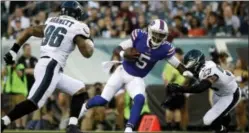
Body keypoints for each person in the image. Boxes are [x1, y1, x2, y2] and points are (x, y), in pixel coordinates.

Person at [79, 19, 189, 132]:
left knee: (140, 99)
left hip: (136, 78)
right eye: (156, 34)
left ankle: (129, 128)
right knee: (103, 100)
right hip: (122, 72)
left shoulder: (165, 48)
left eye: (161, 35)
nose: (157, 37)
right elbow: (117, 49)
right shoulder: (140, 36)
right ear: (150, 31)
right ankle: (85, 106)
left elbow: (177, 64)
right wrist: (124, 54)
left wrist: (187, 72)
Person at [1, 1, 94, 133]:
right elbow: (87, 54)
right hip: (51, 66)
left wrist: (13, 50)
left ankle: (72, 126)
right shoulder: (77, 27)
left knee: (79, 89)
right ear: (76, 13)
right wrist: (90, 41)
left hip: (47, 65)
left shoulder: (51, 21)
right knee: (34, 102)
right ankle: (3, 122)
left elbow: (29, 30)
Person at [164, 49, 241, 133]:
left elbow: (201, 88)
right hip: (219, 93)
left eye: (190, 64)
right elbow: (191, 75)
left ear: (197, 62)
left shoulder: (209, 70)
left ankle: (222, 130)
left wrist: (180, 88)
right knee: (221, 115)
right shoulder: (205, 66)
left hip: (230, 94)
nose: (189, 67)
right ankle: (223, 129)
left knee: (209, 120)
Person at [162, 48, 186, 130]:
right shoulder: (179, 65)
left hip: (172, 88)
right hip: (178, 88)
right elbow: (183, 78)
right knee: (176, 109)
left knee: (171, 108)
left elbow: (164, 76)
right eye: (180, 55)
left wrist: (167, 85)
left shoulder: (170, 64)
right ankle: (177, 127)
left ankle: (169, 126)